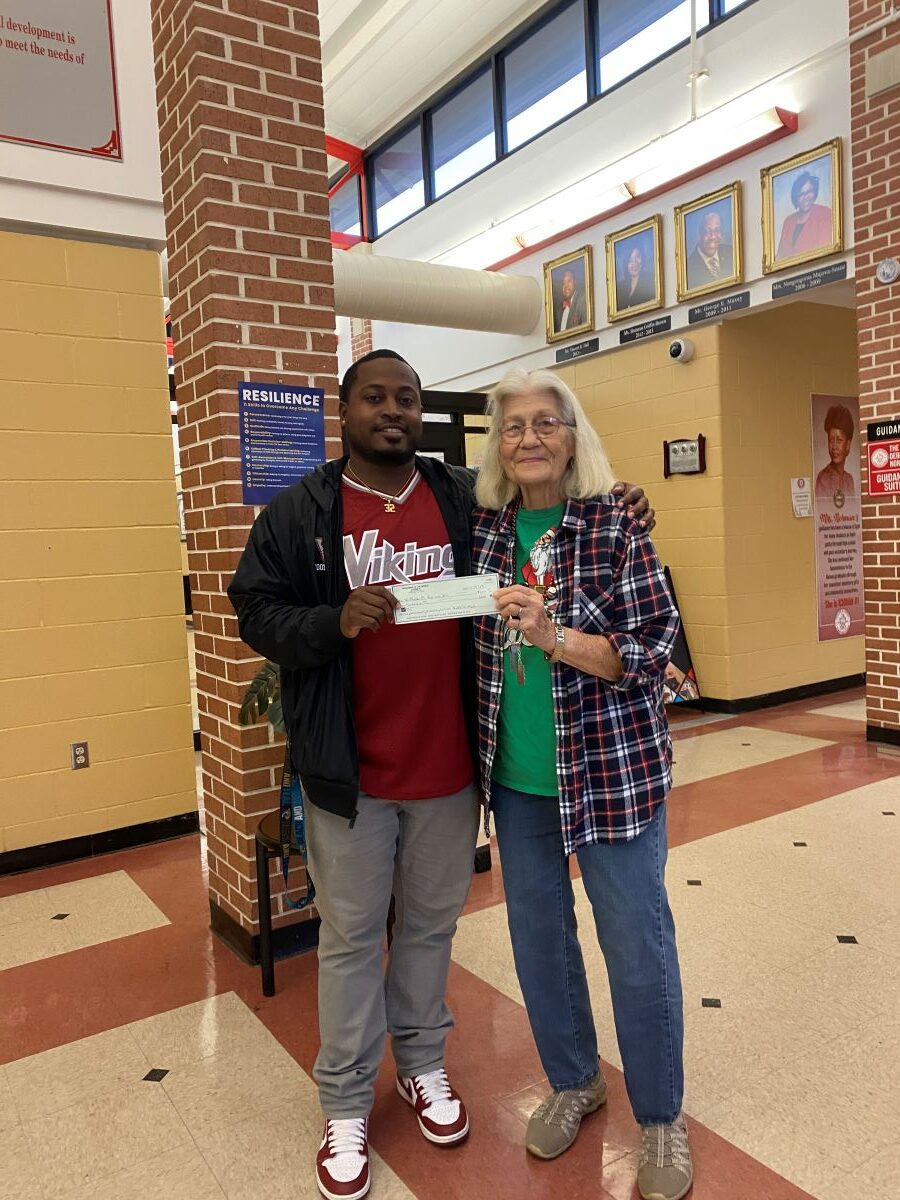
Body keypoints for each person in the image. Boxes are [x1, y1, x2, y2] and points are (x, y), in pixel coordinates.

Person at [228, 349, 653, 1200]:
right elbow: (255, 610)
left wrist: (621, 501)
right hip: (350, 774)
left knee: (428, 932)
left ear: (422, 413)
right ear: (343, 410)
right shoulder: (300, 511)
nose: (392, 409)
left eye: (407, 398)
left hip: (451, 770)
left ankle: (423, 1066)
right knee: (350, 941)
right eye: (374, 397)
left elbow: (549, 510)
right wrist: (330, 621)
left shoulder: (461, 498)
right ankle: (345, 1103)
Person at [471, 368, 692, 1200]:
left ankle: (662, 1118)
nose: (529, 439)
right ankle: (574, 1080)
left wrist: (556, 636)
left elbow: (648, 654)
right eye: (513, 426)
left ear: (572, 436)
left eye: (545, 424)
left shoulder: (614, 526)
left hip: (613, 777)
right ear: (498, 443)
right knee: (540, 944)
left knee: (637, 946)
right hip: (519, 784)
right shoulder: (486, 531)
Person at [776, 170, 833, 261]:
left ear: (815, 193)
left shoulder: (825, 214)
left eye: (809, 192)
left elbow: (827, 251)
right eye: (801, 194)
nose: (806, 197)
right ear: (795, 198)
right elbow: (779, 257)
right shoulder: (788, 221)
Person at [815, 403, 855, 503]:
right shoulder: (823, 479)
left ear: (848, 444)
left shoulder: (849, 480)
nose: (834, 446)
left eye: (839, 440)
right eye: (831, 440)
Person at [686, 209, 733, 290]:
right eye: (707, 231)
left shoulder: (731, 252)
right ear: (699, 234)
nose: (713, 236)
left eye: (717, 230)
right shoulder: (688, 268)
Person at [617, 244, 656, 310]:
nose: (634, 263)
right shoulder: (620, 287)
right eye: (630, 260)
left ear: (643, 258)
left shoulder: (651, 279)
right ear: (626, 264)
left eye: (637, 257)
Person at [553, 267, 587, 334]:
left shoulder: (582, 301)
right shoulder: (559, 312)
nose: (566, 286)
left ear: (575, 282)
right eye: (564, 283)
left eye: (569, 281)